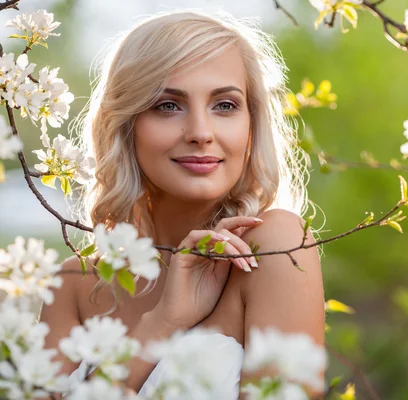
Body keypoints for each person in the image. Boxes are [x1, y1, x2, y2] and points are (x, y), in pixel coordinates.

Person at [38, 8, 325, 398]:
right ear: (125, 125)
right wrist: (163, 323)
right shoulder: (72, 285)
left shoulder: (271, 245)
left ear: (251, 125)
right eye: (167, 105)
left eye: (224, 105)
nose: (201, 133)